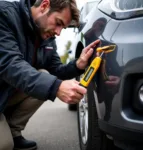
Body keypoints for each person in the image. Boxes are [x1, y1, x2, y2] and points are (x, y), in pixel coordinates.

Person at [0, 0, 100, 149]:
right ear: (44, 6)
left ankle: (13, 131)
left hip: (5, 94)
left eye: (63, 28)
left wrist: (78, 65)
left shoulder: (47, 37)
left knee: (44, 75)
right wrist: (56, 87)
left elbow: (56, 70)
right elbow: (9, 64)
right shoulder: (5, 14)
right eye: (58, 23)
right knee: (4, 146)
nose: (58, 33)